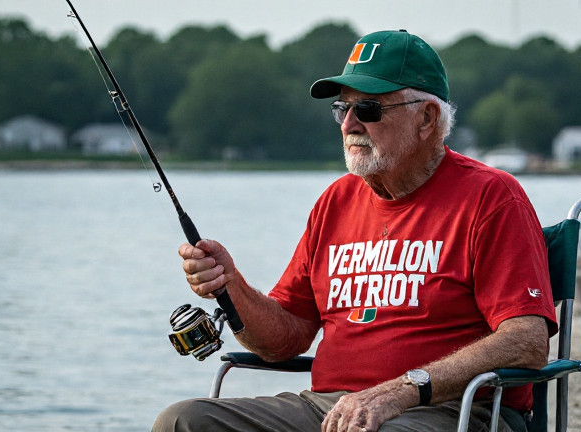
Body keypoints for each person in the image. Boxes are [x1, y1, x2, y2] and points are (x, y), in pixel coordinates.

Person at [153, 29, 557, 432]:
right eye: (341, 109)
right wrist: (230, 285)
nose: (349, 123)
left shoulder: (491, 197)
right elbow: (284, 339)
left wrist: (404, 389)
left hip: (453, 409)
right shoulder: (336, 201)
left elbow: (526, 340)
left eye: (368, 109)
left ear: (427, 119)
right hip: (331, 409)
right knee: (183, 421)